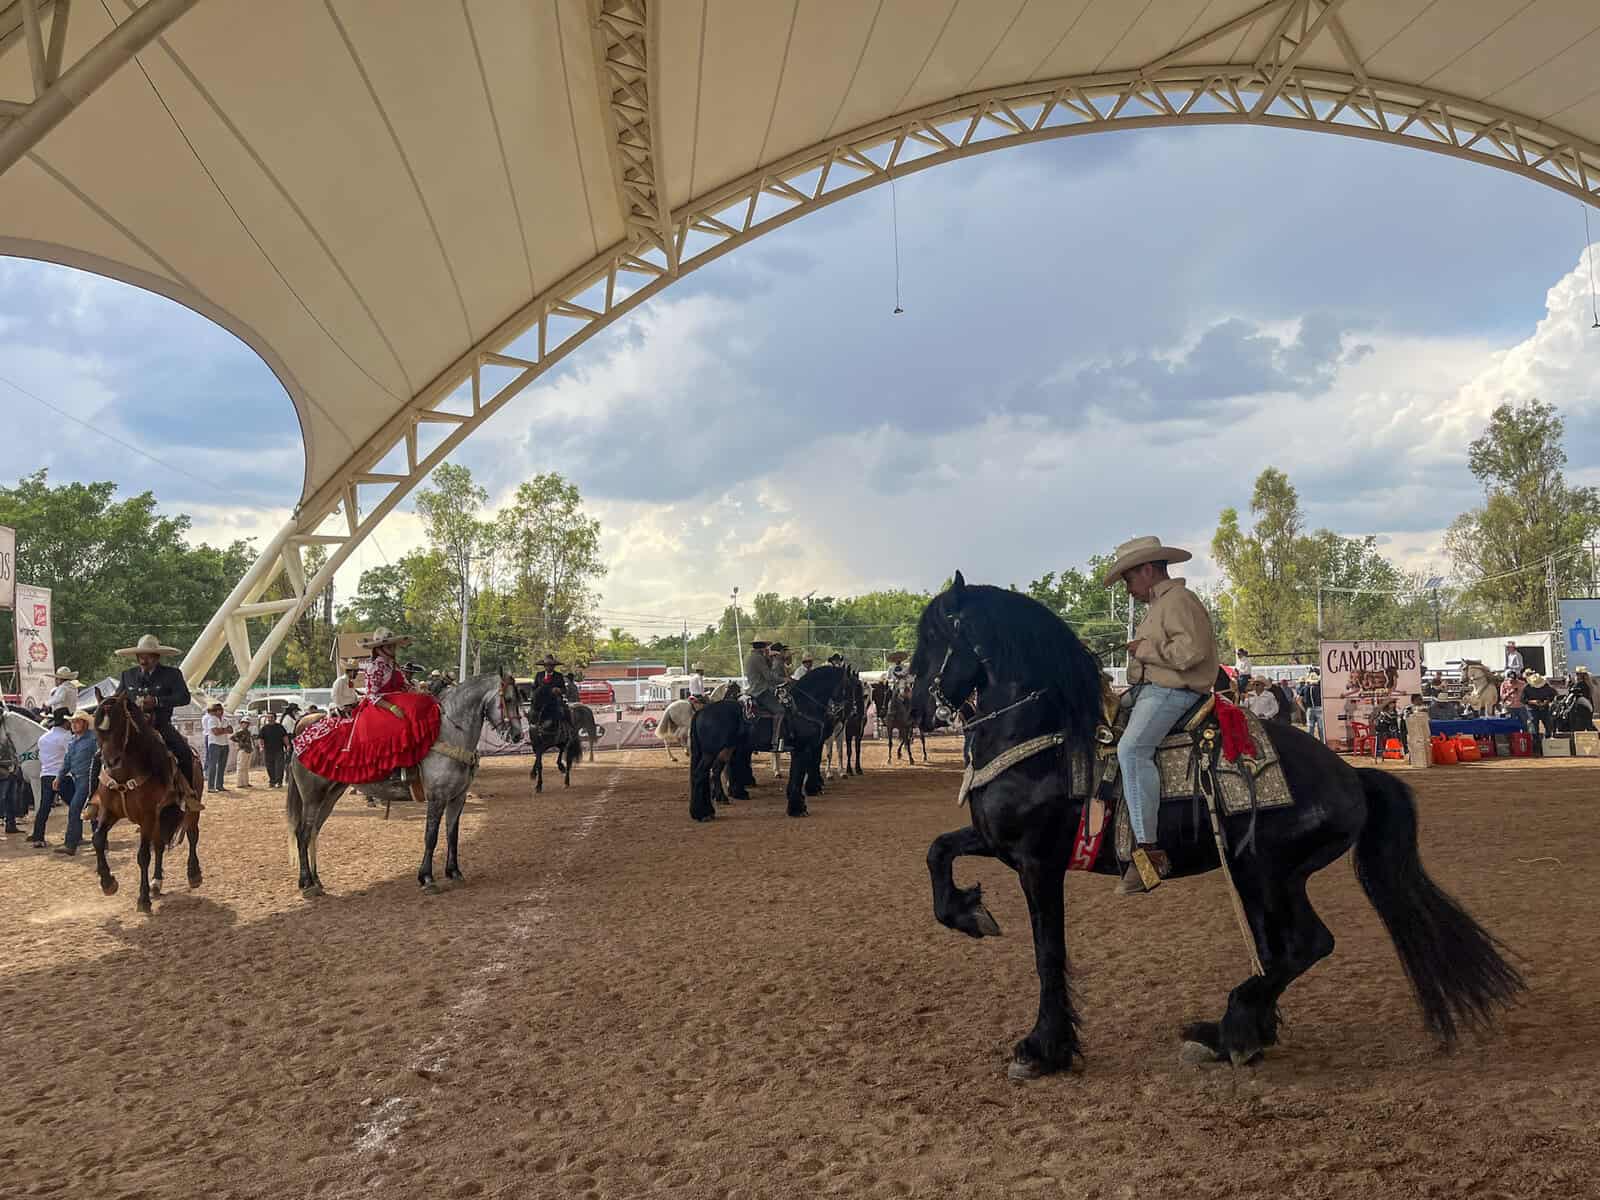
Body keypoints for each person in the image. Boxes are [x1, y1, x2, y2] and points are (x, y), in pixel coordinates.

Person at [1104, 535, 1220, 896]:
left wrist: (1145, 650)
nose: (1128, 589)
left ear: (1147, 570)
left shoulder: (1179, 600)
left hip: (1174, 691)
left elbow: (1191, 652)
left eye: (1128, 579)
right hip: (1151, 690)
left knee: (1132, 750)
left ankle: (1149, 854)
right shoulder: (1159, 605)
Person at [292, 629, 441, 785]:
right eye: (389, 646)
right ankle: (393, 769)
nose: (393, 649)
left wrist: (418, 693)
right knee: (396, 726)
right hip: (379, 705)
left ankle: (416, 763)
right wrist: (391, 707)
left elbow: (405, 686)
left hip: (396, 700)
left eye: (394, 645)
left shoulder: (394, 666)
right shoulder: (374, 667)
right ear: (379, 648)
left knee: (420, 709)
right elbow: (371, 694)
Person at [115, 633, 202, 811]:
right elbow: (117, 698)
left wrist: (157, 701)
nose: (143, 660)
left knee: (184, 752)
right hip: (131, 728)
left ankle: (187, 794)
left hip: (160, 725)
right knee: (100, 754)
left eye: (147, 656)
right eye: (140, 656)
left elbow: (184, 697)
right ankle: (94, 799)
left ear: (156, 657)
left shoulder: (172, 674)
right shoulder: (127, 675)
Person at [54, 711, 97, 855]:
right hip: (77, 779)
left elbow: (100, 759)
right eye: (72, 722)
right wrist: (59, 777)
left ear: (85, 723)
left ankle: (71, 844)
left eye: (77, 721)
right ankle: (99, 842)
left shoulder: (93, 739)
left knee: (75, 808)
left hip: (88, 778)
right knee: (93, 810)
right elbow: (67, 761)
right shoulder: (73, 740)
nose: (73, 724)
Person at [27, 715, 72, 847]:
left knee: (44, 808)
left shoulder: (43, 738)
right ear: (65, 722)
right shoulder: (66, 736)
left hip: (46, 775)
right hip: (62, 775)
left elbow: (41, 757)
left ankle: (38, 837)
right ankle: (75, 836)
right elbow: (70, 756)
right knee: (75, 806)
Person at [742, 639, 786, 739]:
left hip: (753, 690)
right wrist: (784, 679)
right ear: (762, 647)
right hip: (761, 691)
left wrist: (768, 659)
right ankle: (775, 739)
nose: (767, 649)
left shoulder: (750, 657)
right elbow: (769, 676)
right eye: (766, 646)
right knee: (780, 711)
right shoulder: (758, 658)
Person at [201, 702, 233, 793]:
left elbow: (231, 730)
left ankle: (219, 785)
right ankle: (211, 786)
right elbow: (216, 732)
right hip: (214, 743)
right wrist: (225, 730)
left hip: (224, 743)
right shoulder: (211, 720)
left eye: (221, 710)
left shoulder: (225, 719)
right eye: (219, 710)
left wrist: (221, 730)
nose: (221, 711)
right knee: (213, 765)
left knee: (222, 766)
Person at [1522, 672, 1557, 747]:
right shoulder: (1527, 688)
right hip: (1532, 709)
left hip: (1544, 708)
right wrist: (1533, 702)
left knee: (1548, 725)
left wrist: (1547, 701)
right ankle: (1536, 744)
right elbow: (1523, 699)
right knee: (1534, 727)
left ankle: (1548, 742)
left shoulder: (1546, 686)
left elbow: (1553, 694)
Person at [257, 710, 289, 786]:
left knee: (279, 766)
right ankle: (272, 781)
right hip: (268, 750)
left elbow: (285, 737)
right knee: (269, 766)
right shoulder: (264, 728)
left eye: (271, 717)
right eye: (268, 717)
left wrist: (288, 745)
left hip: (279, 750)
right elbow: (260, 738)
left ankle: (279, 781)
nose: (269, 719)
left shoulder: (280, 727)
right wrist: (261, 746)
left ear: (275, 718)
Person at [232, 710, 256, 788]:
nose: (246, 724)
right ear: (241, 723)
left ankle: (245, 782)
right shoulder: (240, 731)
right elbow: (233, 737)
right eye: (244, 723)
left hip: (248, 749)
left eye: (247, 723)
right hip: (243, 750)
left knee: (246, 767)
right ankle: (239, 783)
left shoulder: (247, 732)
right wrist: (240, 743)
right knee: (241, 767)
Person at [1299, 670, 1324, 740]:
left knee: (1310, 728)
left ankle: (1311, 743)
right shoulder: (1320, 688)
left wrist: (1304, 709)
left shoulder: (1305, 688)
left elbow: (1298, 699)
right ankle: (1322, 742)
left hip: (1309, 709)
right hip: (1319, 708)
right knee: (1321, 728)